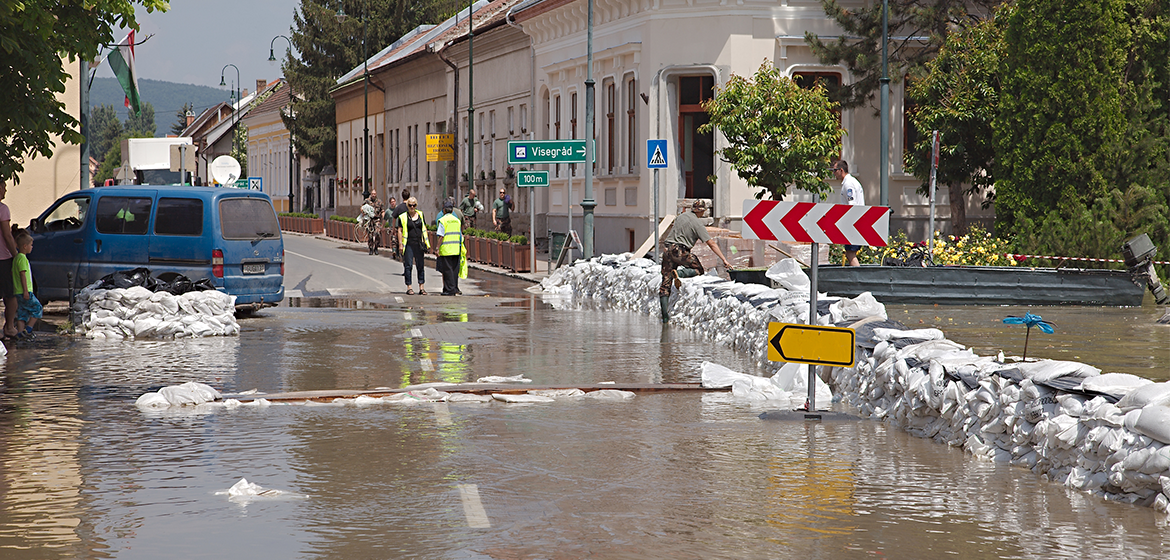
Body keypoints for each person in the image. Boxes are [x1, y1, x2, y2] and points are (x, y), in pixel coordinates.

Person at [658, 199, 732, 323]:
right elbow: (711, 243)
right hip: (680, 251)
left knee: (665, 285)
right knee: (698, 269)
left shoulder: (681, 217)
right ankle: (679, 274)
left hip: (667, 250)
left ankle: (665, 318)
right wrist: (724, 259)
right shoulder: (697, 224)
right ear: (702, 211)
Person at [831, 160, 866, 266]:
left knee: (850, 254)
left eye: (835, 170)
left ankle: (859, 279)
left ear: (841, 170)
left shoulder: (848, 184)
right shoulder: (850, 182)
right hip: (856, 222)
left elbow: (852, 205)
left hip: (854, 223)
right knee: (850, 253)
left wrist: (848, 224)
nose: (833, 173)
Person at [10, 227, 41, 339]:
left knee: (22, 313)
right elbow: (23, 275)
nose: (32, 247)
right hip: (25, 291)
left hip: (17, 291)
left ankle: (19, 332)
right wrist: (26, 291)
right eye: (31, 245)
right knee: (37, 309)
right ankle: (28, 330)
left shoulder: (16, 258)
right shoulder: (23, 259)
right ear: (25, 246)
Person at [398, 197, 430, 295]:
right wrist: (400, 244)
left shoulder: (420, 214)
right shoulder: (403, 216)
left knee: (420, 265)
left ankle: (421, 287)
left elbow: (424, 228)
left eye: (414, 205)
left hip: (419, 243)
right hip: (408, 244)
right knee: (408, 265)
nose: (412, 207)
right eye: (410, 205)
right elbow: (399, 230)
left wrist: (426, 242)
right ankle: (409, 287)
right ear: (407, 205)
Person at [0, 179, 18, 339]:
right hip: (3, 258)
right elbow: (7, 235)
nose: (5, 191)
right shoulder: (2, 209)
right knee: (10, 295)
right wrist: (16, 255)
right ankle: (10, 327)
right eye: (4, 187)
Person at [436, 198, 464, 296]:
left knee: (447, 271)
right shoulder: (457, 220)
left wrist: (437, 248)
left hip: (446, 249)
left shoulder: (442, 220)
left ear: (444, 210)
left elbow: (441, 236)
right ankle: (454, 288)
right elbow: (460, 235)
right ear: (452, 210)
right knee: (454, 270)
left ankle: (449, 290)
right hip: (456, 249)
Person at [390, 189, 411, 259]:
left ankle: (398, 252)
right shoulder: (411, 207)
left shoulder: (399, 207)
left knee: (398, 241)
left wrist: (393, 229)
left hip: (401, 228)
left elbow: (394, 218)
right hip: (409, 228)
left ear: (402, 197)